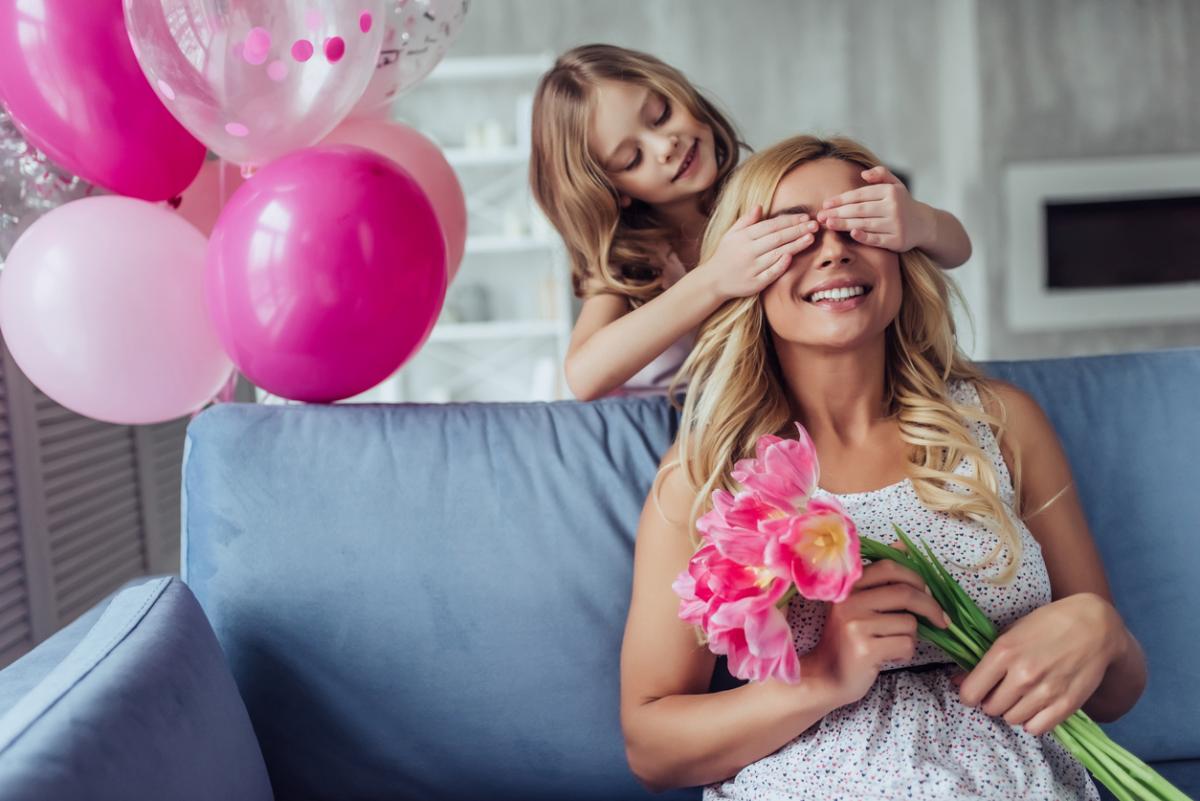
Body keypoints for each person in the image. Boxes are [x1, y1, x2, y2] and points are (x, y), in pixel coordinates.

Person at [619, 134, 1147, 800]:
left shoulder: (1000, 424)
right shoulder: (707, 473)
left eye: (858, 223)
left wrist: (1103, 630)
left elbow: (1113, 697)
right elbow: (651, 746)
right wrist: (825, 674)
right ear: (744, 274)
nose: (834, 249)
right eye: (794, 235)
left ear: (902, 252)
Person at [529, 45, 973, 399]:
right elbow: (584, 377)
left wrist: (919, 221)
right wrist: (715, 279)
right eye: (631, 157)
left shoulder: (766, 194)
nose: (665, 145)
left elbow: (958, 249)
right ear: (614, 190)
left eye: (661, 114)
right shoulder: (635, 263)